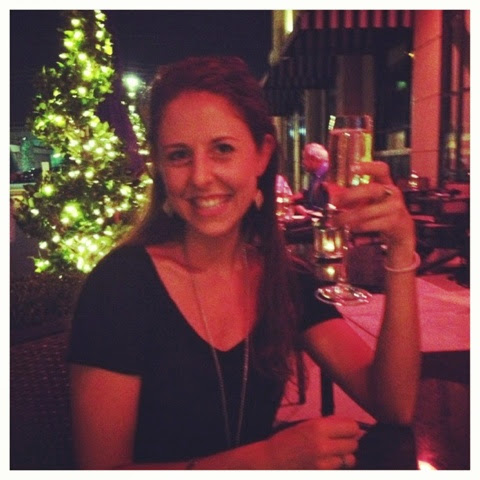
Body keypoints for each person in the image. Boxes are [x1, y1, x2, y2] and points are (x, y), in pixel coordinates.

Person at [68, 56, 420, 470]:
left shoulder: (283, 278)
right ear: (160, 168)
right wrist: (267, 459)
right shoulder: (120, 287)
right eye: (179, 155)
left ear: (261, 155)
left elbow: (393, 404)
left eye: (222, 149)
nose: (200, 177)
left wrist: (401, 249)